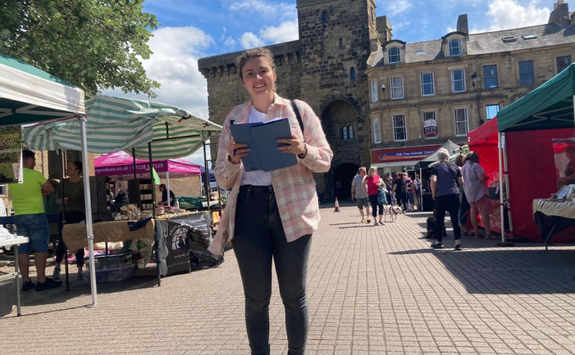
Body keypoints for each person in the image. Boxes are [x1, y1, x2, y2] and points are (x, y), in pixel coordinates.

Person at [207, 47, 333, 355]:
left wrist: (302, 150)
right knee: (256, 297)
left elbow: (326, 160)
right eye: (250, 74)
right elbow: (222, 178)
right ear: (243, 82)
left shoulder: (298, 110)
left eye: (263, 71)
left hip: (292, 206)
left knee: (293, 294)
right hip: (248, 209)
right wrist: (232, 160)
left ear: (274, 74)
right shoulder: (234, 118)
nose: (258, 78)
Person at [8, 150, 61, 291]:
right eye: (35, 160)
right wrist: (41, 192)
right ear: (29, 159)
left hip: (19, 215)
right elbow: (50, 189)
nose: (36, 162)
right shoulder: (35, 174)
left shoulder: (13, 177)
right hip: (36, 214)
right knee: (40, 248)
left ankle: (26, 281)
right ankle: (41, 280)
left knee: (23, 249)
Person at [53, 161, 86, 280]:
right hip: (64, 213)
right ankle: (57, 266)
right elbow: (57, 199)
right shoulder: (63, 183)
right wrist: (60, 201)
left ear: (77, 170)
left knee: (79, 240)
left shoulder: (83, 183)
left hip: (78, 213)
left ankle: (79, 268)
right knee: (62, 240)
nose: (67, 170)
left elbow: (86, 200)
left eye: (70, 168)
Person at [430, 148, 464, 250]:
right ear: (448, 157)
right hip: (454, 194)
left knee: (439, 219)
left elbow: (433, 181)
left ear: (438, 158)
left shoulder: (435, 167)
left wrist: (433, 193)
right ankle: (457, 243)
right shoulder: (455, 167)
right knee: (455, 218)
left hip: (440, 195)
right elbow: (461, 182)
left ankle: (439, 242)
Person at [461, 151, 494, 238]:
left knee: (473, 212)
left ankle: (476, 232)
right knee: (484, 213)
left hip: (469, 192)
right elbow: (481, 178)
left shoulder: (463, 167)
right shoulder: (476, 166)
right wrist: (487, 177)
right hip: (479, 192)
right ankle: (488, 233)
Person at [454, 154, 471, 236]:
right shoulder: (460, 169)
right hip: (463, 190)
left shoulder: (455, 168)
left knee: (460, 209)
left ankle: (462, 227)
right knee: (463, 209)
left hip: (458, 191)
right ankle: (464, 227)